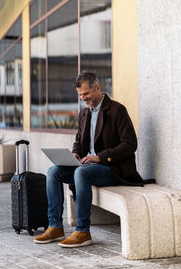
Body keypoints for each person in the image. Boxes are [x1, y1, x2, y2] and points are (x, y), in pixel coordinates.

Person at [34, 72, 143, 247]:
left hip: (113, 168)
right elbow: (78, 142)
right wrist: (75, 154)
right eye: (80, 95)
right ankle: (55, 226)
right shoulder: (84, 114)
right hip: (87, 166)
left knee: (80, 173)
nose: (83, 98)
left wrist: (100, 157)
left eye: (86, 94)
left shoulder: (117, 110)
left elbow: (130, 144)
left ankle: (83, 231)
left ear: (97, 88)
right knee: (53, 171)